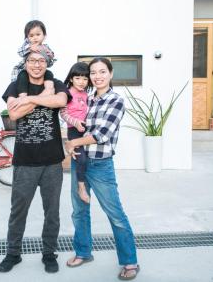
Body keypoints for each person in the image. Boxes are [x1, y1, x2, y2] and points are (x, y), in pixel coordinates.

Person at [64, 57, 140, 280]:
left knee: (115, 214)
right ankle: (83, 252)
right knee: (79, 211)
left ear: (111, 74)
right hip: (80, 162)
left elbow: (101, 135)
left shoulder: (115, 100)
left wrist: (73, 143)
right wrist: (73, 144)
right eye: (93, 73)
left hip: (101, 165)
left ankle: (129, 261)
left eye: (102, 72)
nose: (97, 76)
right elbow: (70, 120)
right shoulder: (87, 99)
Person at [0, 50, 71, 274]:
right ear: (25, 63)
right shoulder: (14, 86)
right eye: (32, 60)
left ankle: (49, 254)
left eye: (41, 61)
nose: (36, 65)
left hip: (52, 162)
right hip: (25, 162)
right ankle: (13, 254)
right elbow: (13, 113)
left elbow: (60, 100)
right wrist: (42, 99)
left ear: (47, 63)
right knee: (18, 211)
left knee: (52, 211)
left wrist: (28, 99)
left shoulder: (56, 84)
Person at [60, 62, 92, 204]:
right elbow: (63, 113)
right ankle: (81, 187)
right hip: (74, 130)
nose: (82, 82)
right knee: (82, 159)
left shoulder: (86, 94)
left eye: (85, 79)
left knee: (88, 158)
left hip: (86, 129)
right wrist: (75, 122)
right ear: (72, 78)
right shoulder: (67, 93)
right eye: (78, 78)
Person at [11, 20, 57, 97]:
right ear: (27, 38)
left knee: (49, 73)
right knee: (22, 77)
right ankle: (23, 97)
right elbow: (20, 52)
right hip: (25, 70)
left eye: (38, 34)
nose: (35, 38)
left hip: (40, 72)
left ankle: (48, 92)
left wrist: (50, 55)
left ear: (44, 36)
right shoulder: (28, 45)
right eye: (31, 36)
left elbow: (49, 63)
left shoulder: (45, 47)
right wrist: (29, 48)